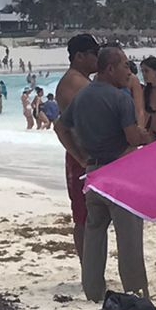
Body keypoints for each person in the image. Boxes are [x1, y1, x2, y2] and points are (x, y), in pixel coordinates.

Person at [71, 45, 151, 302]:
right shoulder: (120, 98)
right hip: (119, 174)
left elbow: (61, 127)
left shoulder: (82, 96)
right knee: (129, 238)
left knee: (94, 235)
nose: (129, 71)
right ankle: (135, 292)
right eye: (125, 65)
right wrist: (148, 138)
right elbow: (131, 136)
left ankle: (93, 291)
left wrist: (80, 157)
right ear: (110, 68)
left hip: (93, 172)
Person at [54, 33, 101, 257]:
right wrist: (81, 157)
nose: (98, 58)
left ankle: (90, 267)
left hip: (84, 157)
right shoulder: (75, 82)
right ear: (80, 56)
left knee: (89, 216)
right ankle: (88, 268)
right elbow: (64, 127)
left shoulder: (82, 80)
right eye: (94, 54)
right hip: (82, 158)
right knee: (84, 217)